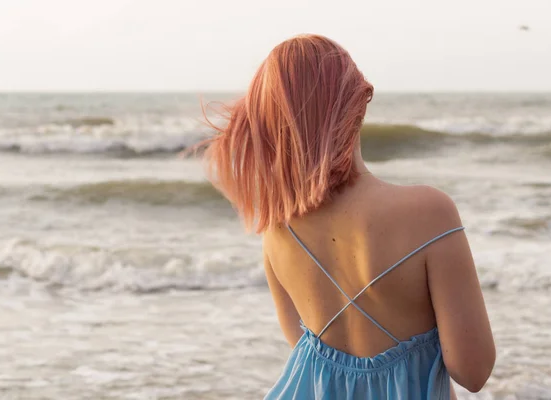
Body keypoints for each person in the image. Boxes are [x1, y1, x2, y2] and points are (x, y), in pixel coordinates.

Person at [196, 34, 495, 399]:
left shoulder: (277, 230)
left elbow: (303, 350)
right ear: (359, 102)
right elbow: (473, 370)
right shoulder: (430, 211)